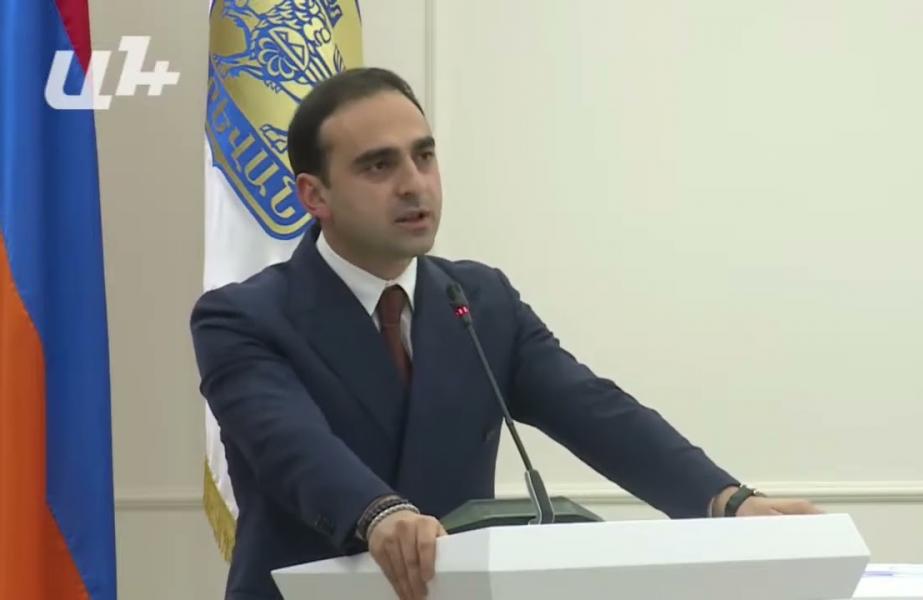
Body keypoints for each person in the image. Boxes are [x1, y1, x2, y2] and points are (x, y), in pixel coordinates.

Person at [190, 67, 820, 600]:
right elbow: (294, 447)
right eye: (379, 166)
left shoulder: (478, 300)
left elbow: (598, 413)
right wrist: (379, 514)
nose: (413, 184)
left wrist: (724, 500)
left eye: (424, 156)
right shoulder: (243, 318)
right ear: (314, 195)